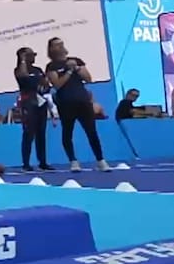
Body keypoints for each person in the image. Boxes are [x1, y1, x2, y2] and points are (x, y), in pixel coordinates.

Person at [45, 37, 110, 172]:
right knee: (67, 133)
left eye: (61, 44)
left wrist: (77, 67)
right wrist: (68, 71)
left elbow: (88, 78)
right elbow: (57, 84)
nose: (60, 47)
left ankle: (100, 160)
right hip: (65, 103)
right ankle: (73, 161)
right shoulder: (51, 66)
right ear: (51, 49)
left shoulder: (76, 60)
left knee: (91, 131)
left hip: (83, 101)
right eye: (56, 45)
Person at [13, 47, 52, 171]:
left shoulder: (38, 70)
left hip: (40, 102)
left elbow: (45, 82)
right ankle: (26, 163)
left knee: (41, 132)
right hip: (28, 102)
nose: (34, 57)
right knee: (29, 133)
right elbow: (23, 76)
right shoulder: (19, 70)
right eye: (31, 55)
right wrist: (22, 59)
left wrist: (45, 84)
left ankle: (43, 162)